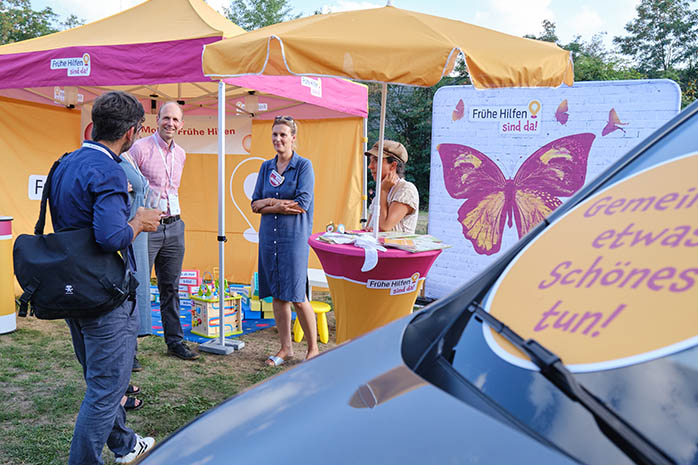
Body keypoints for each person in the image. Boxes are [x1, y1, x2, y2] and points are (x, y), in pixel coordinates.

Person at [49, 91, 161, 464]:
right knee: (106, 389)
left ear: (94, 124)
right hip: (104, 294)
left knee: (100, 381)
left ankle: (125, 446)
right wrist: (140, 222)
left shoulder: (64, 163)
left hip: (73, 287)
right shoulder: (109, 170)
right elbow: (111, 236)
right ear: (131, 133)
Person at [129, 102, 198, 360]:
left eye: (175, 120)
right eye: (166, 118)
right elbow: (125, 180)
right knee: (137, 286)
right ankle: (130, 349)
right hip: (147, 228)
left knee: (171, 286)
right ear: (156, 119)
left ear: (181, 124)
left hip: (174, 226)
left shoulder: (180, 153)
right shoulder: (140, 148)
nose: (170, 123)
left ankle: (175, 342)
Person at [251, 115, 318, 366]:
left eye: (283, 134)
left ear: (293, 138)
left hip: (293, 239)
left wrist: (268, 203)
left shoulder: (303, 166)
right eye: (274, 134)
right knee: (278, 296)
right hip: (270, 238)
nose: (278, 139)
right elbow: (254, 204)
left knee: (298, 296)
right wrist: (274, 203)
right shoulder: (266, 167)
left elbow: (301, 204)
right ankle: (285, 349)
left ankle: (313, 350)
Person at [364, 140, 419, 233]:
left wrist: (383, 192)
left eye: (376, 160)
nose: (370, 166)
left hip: (395, 248)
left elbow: (385, 227)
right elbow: (369, 228)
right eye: (370, 161)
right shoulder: (381, 191)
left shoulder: (406, 190)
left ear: (393, 165)